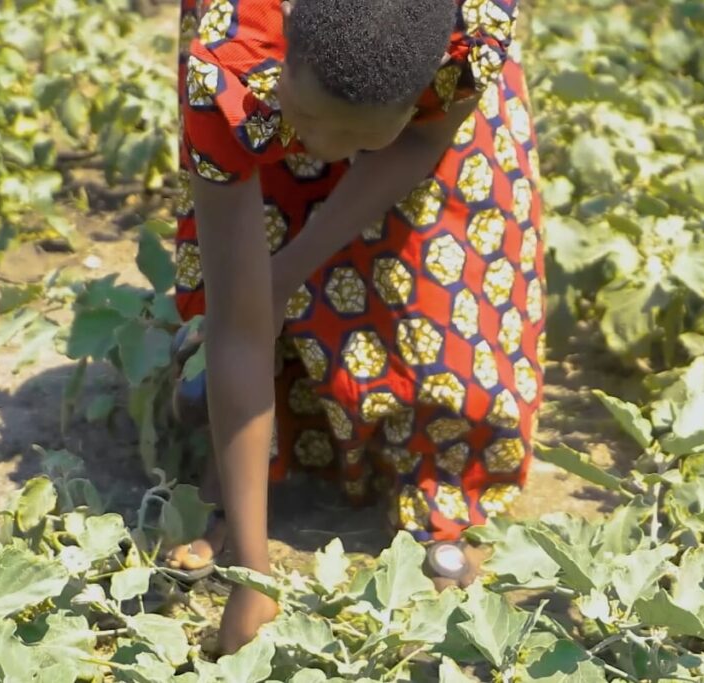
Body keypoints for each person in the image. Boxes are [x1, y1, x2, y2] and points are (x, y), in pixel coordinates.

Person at [164, 0, 545, 654]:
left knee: (442, 280)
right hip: (272, 83)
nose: (323, 148)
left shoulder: (472, 26)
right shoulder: (226, 68)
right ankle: (241, 487)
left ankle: (439, 487)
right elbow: (237, 325)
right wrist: (253, 577)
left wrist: (296, 266)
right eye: (308, 121)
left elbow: (424, 140)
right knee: (248, 273)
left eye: (361, 140)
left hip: (388, 91)